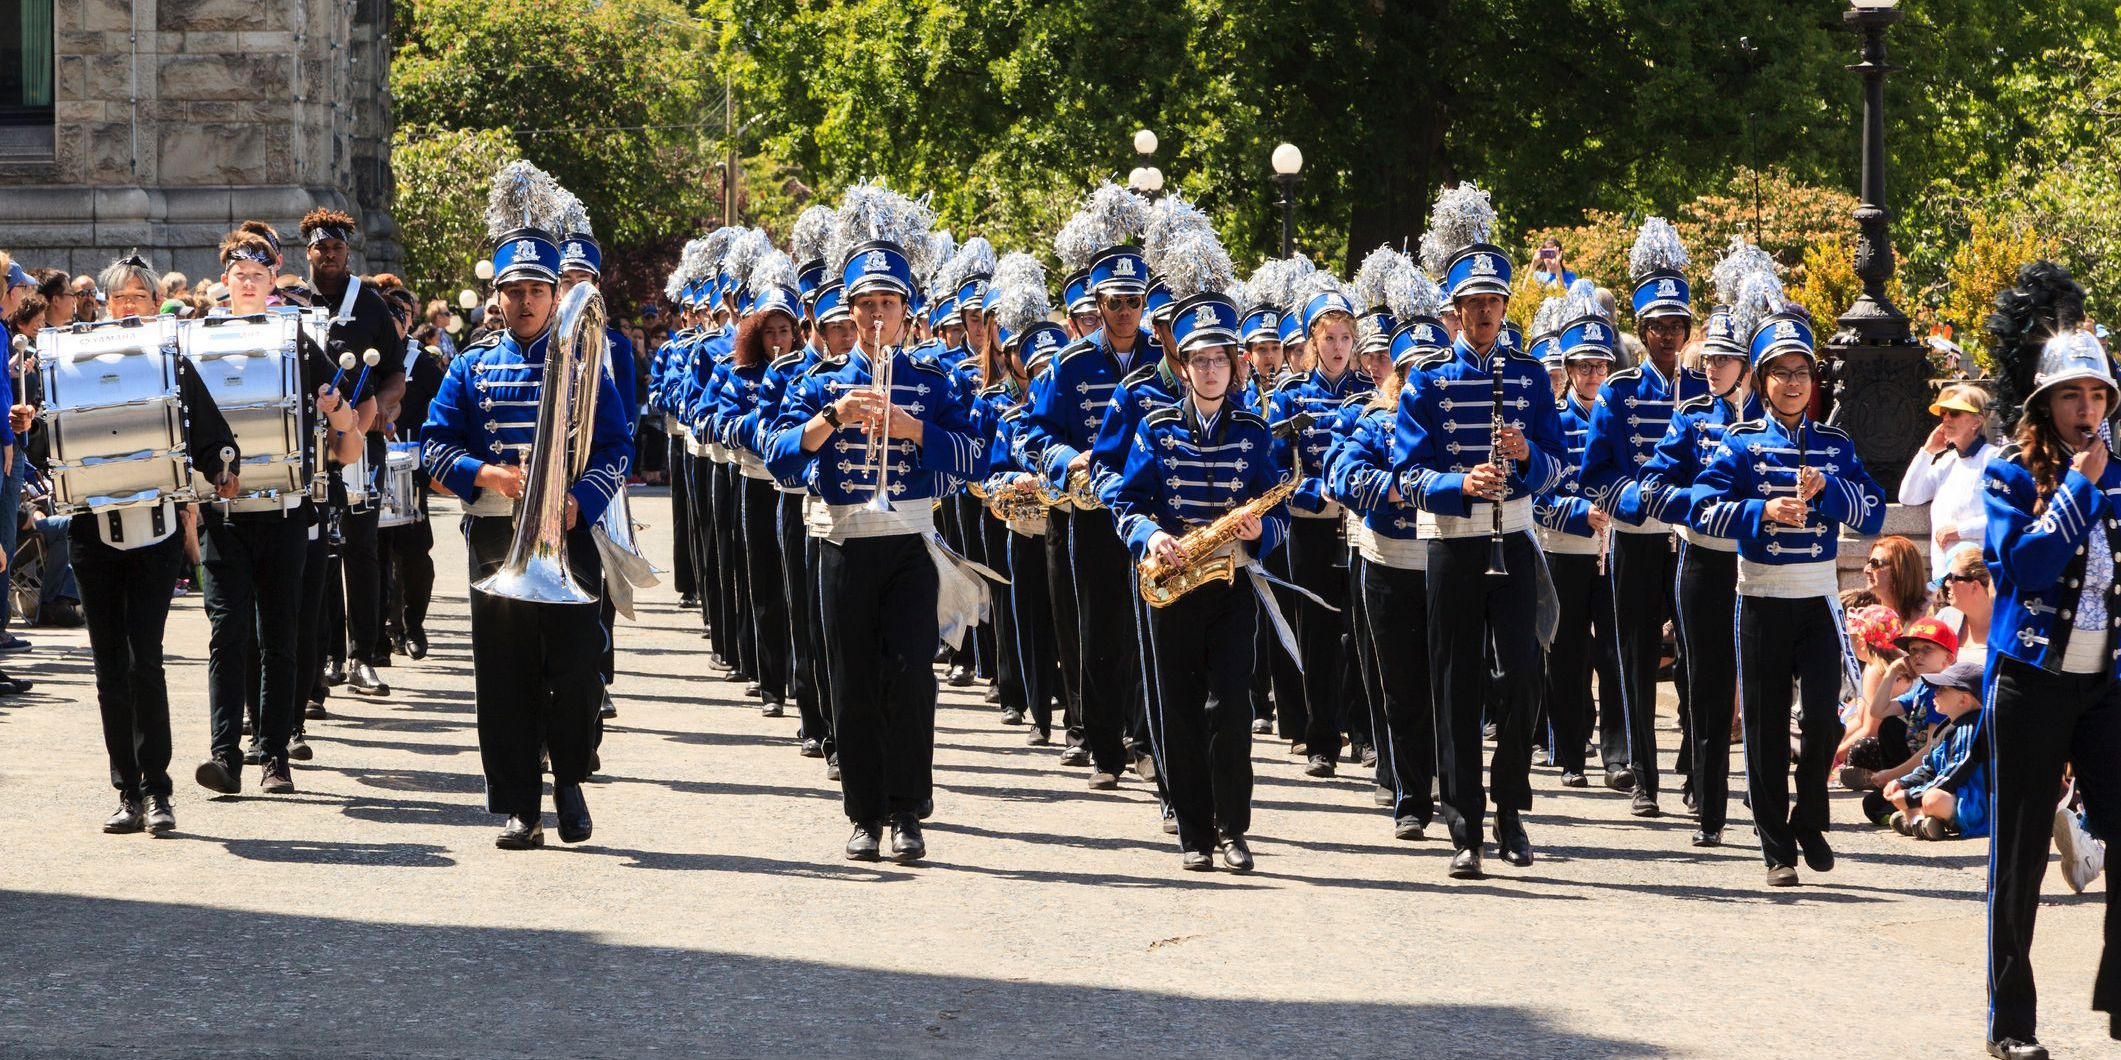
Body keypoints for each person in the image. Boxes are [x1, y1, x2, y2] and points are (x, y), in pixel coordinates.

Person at [765, 185, 981, 863]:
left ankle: (908, 808)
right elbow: (776, 457)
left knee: (912, 677)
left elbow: (977, 454)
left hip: (911, 544)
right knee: (851, 680)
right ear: (849, 314)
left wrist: (913, 428)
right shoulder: (820, 379)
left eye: (888, 305)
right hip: (841, 543)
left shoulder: (933, 379)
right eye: (865, 307)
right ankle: (863, 814)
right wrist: (832, 419)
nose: (876, 317)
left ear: (907, 313)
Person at [421, 162, 632, 849]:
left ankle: (569, 778)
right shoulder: (470, 366)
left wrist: (579, 501)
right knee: (505, 676)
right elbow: (432, 445)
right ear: (499, 295)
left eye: (536, 290)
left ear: (553, 294)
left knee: (573, 671)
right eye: (512, 292)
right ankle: (520, 804)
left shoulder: (583, 362)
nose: (524, 303)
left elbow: (615, 447)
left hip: (566, 535)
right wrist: (484, 472)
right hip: (494, 535)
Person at [1392, 184, 1566, 879]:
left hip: (1515, 538)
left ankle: (1511, 810)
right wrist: (1455, 485)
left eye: (1496, 302)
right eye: (1475, 304)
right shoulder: (1425, 384)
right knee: (1455, 681)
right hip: (1452, 544)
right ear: (1454, 311)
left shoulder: (1529, 377)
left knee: (1522, 675)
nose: (1487, 313)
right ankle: (1462, 825)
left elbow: (1558, 465)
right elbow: (1406, 474)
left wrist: (1526, 461)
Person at [1693, 276, 1886, 887]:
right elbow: (1700, 507)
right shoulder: (1740, 442)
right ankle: (1776, 846)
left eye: (1802, 371)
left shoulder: (1835, 444)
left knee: (1827, 720)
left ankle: (1810, 815)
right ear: (1760, 381)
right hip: (1762, 598)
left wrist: (1831, 492)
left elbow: (1875, 511)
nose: (1794, 382)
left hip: (1820, 599)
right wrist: (1762, 512)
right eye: (1781, 372)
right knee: (1767, 722)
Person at [1976, 287, 2121, 1057]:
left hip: (2107, 686)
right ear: (2043, 404)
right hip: (2028, 683)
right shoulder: (2006, 477)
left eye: (2097, 392)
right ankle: (2010, 1026)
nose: (2087, 406)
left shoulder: (2120, 473)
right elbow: (2028, 568)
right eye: (2072, 393)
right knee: (2020, 855)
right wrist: (2076, 487)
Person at [1113, 288, 1287, 872]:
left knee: (1232, 708)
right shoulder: (1155, 428)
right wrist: (1150, 536)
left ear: (1234, 365)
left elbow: (1280, 512)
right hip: (1174, 580)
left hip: (1232, 584)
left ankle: (1233, 827)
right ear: (1183, 367)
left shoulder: (1256, 432)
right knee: (1180, 707)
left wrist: (1263, 531)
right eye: (1200, 360)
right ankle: (1194, 831)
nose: (1211, 370)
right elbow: (1128, 501)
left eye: (1221, 359)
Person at [192, 230, 364, 798]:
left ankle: (274, 755)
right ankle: (224, 753)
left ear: (272, 281)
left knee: (280, 637)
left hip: (287, 511)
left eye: (257, 274)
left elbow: (348, 442)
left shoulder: (294, 340)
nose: (247, 281)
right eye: (238, 273)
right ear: (225, 280)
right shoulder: (195, 342)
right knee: (227, 633)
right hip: (225, 514)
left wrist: (338, 410)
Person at [74, 254, 242, 835]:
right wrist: (29, 426)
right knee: (107, 666)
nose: (127, 308)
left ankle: (159, 789)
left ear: (154, 308)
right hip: (91, 530)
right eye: (118, 299)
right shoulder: (76, 363)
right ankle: (127, 791)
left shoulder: (173, 365)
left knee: (145, 658)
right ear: (103, 305)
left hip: (157, 527)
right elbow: (52, 436)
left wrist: (224, 467)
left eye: (139, 299)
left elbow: (213, 435)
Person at [1024, 185, 1155, 790]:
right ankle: (1104, 748)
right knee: (1100, 629)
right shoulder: (1071, 364)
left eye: (1133, 300)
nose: (1125, 311)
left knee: (1153, 627)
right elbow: (1034, 430)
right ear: (1095, 306)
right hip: (1094, 513)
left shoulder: (1169, 362)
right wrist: (1066, 459)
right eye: (1114, 302)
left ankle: (1149, 739)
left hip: (1158, 514)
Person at [1580, 218, 1708, 818]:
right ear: (1642, 330)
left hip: (1695, 539)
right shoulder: (1620, 390)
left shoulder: (1708, 387)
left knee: (1696, 652)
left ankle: (1694, 767)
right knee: (1632, 653)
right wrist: (1633, 500)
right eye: (1657, 326)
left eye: (1676, 325)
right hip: (1638, 536)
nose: (1667, 335)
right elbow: (1595, 470)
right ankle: (1643, 776)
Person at [295, 208, 402, 697]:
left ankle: (362, 654)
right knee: (316, 550)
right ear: (309, 250)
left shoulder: (371, 305)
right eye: (322, 246)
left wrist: (378, 406)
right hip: (304, 447)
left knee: (360, 547)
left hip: (360, 439)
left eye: (338, 247)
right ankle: (321, 659)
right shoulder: (290, 301)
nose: (330, 254)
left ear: (348, 251)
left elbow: (396, 372)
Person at [1532, 300, 1621, 792]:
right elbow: (1537, 490)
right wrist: (1578, 513)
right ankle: (1570, 753)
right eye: (1584, 365)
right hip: (1564, 548)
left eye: (1601, 364)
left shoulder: (1619, 417)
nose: (1593, 374)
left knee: (1614, 654)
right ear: (1567, 370)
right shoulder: (1553, 421)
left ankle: (1616, 754)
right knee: (1565, 656)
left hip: (1613, 553)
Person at [1899, 383, 1995, 572]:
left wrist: (1960, 530)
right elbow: (1908, 496)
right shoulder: (1946, 461)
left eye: (1955, 413)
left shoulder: (1993, 459)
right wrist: (1928, 452)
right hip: (1943, 576)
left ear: (1977, 421)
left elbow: (2005, 517)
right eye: (1943, 413)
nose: (1946, 419)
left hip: (1980, 578)